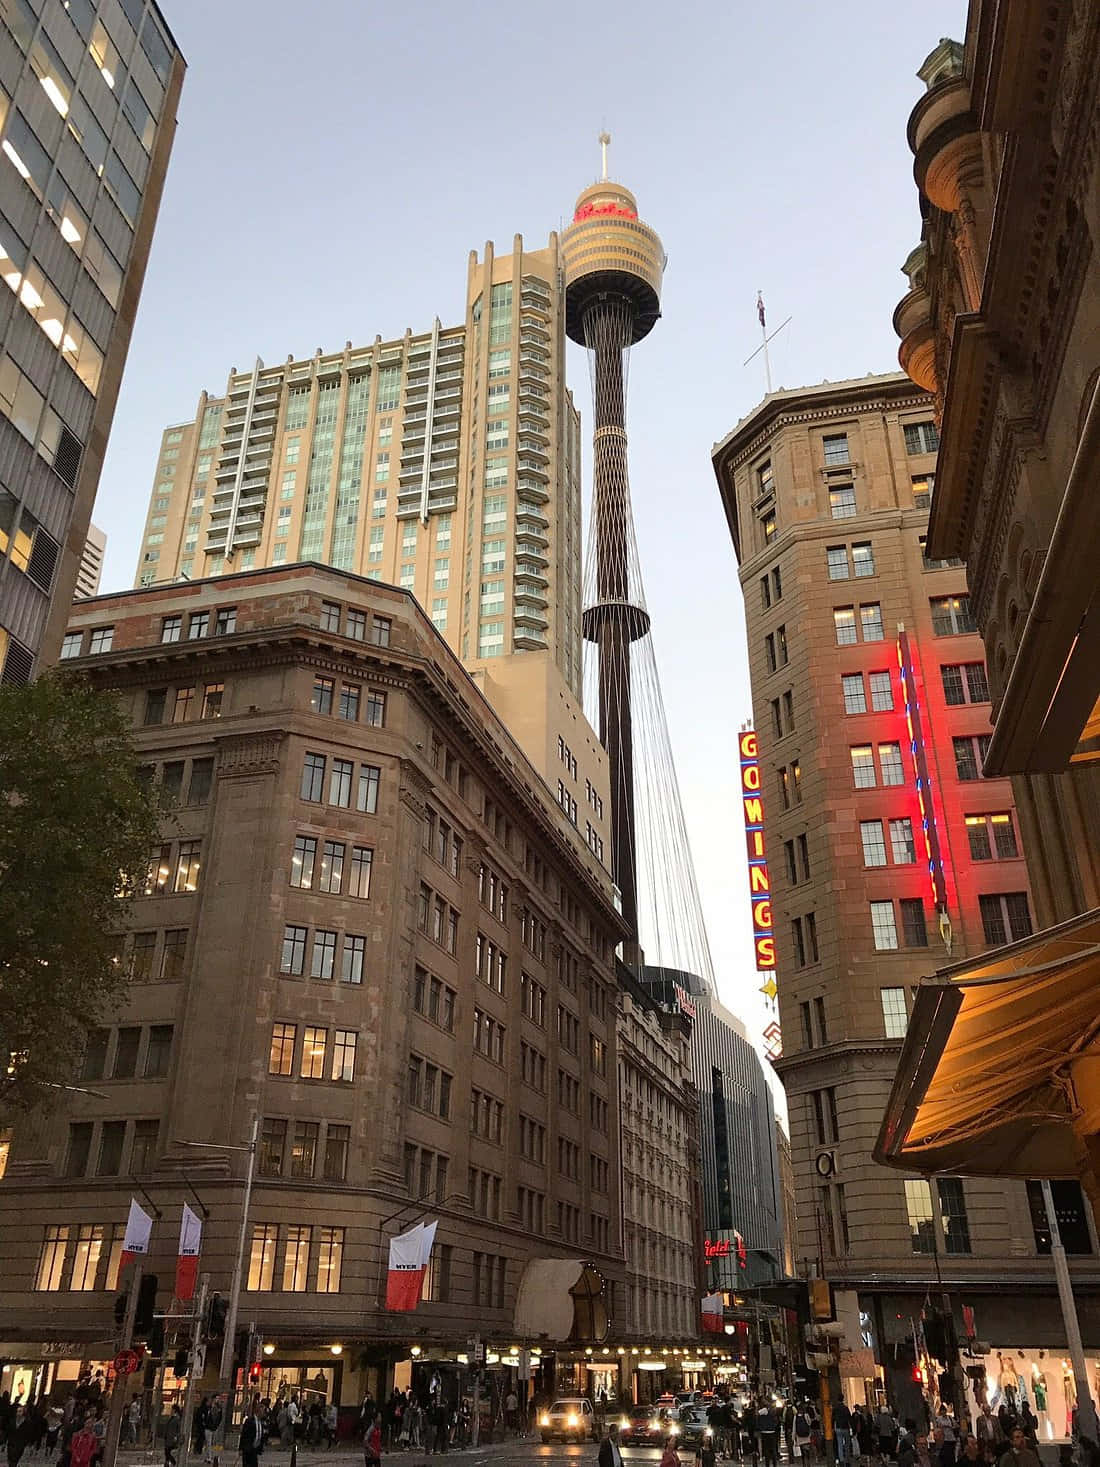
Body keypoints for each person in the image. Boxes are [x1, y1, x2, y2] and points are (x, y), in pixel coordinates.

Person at [239, 1398, 264, 1467]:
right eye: (262, 1411)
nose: (263, 1413)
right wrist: (241, 1448)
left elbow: (260, 1434)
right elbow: (244, 1435)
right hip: (247, 1448)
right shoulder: (249, 1421)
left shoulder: (260, 1422)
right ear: (258, 1412)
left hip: (255, 1449)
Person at [205, 1396, 224, 1463]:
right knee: (208, 1443)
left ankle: (213, 1457)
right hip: (208, 1427)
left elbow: (220, 1418)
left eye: (218, 1398)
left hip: (215, 1427)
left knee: (214, 1443)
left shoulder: (219, 1408)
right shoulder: (209, 1407)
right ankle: (209, 1457)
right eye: (216, 1398)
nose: (217, 1400)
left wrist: (216, 1426)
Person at [834, 1398, 853, 1464]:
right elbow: (850, 1418)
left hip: (838, 1427)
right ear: (843, 1399)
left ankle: (841, 1460)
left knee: (840, 1445)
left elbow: (833, 1418)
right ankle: (847, 1460)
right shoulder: (846, 1408)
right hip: (845, 1427)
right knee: (847, 1445)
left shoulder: (835, 1409)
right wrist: (851, 1427)